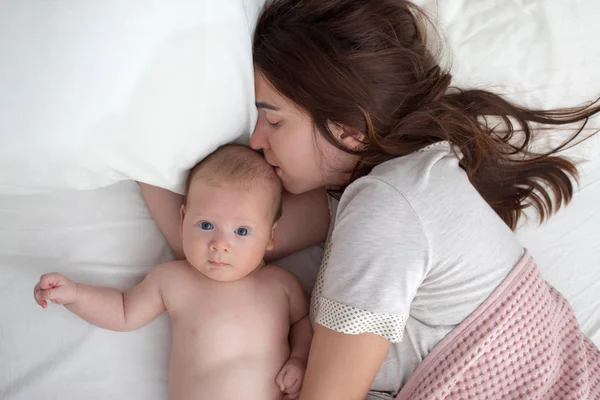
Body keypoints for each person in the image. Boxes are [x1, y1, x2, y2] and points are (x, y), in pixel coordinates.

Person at [139, 1, 600, 399]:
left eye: (274, 122)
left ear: (347, 129)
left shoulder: (390, 203)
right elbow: (224, 253)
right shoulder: (393, 184)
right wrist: (132, 160)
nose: (257, 140)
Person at [34, 144, 313, 400]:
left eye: (241, 231)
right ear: (183, 220)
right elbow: (122, 311)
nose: (220, 245)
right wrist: (75, 295)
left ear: (270, 237)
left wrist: (299, 359)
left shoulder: (281, 284)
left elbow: (302, 322)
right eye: (206, 225)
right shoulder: (173, 280)